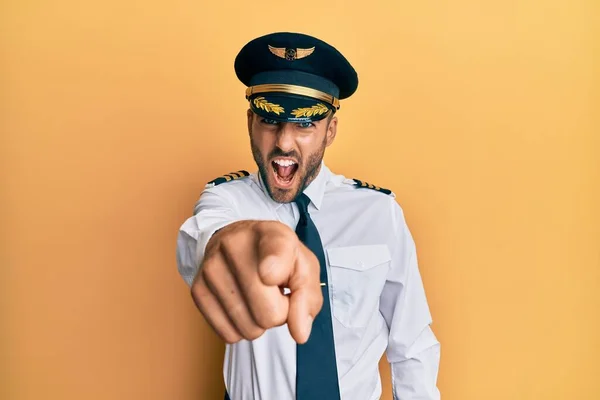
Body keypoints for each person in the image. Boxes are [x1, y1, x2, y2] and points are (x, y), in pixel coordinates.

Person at [176, 31, 441, 400]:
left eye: (304, 123)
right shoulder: (226, 200)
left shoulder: (379, 213)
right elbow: (204, 239)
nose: (284, 142)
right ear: (250, 121)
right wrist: (227, 243)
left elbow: (410, 344)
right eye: (270, 120)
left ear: (330, 130)